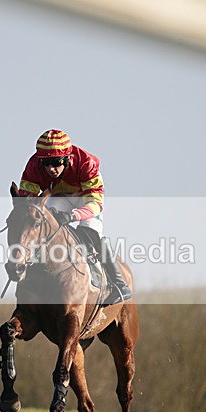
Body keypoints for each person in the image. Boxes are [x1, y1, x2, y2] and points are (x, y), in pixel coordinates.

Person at [17, 129, 132, 305]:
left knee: (91, 231)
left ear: (67, 158)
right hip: (59, 197)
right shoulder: (33, 166)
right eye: (46, 163)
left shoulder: (86, 163)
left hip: (85, 199)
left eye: (56, 162)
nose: (51, 169)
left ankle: (119, 284)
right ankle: (38, 273)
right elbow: (27, 202)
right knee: (42, 227)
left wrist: (72, 216)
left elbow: (95, 204)